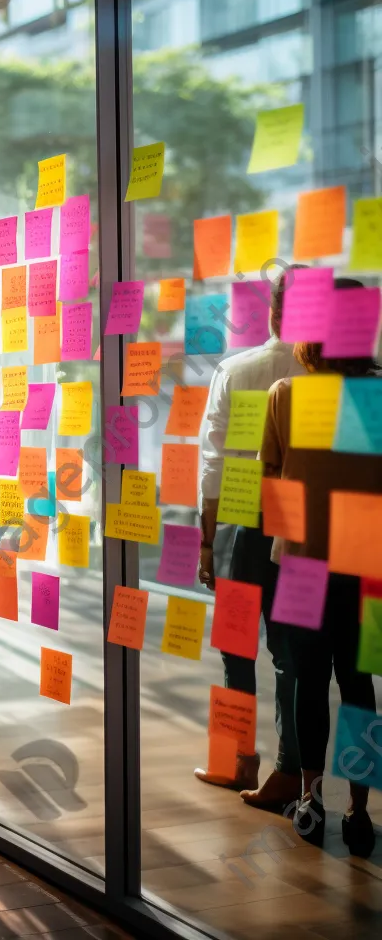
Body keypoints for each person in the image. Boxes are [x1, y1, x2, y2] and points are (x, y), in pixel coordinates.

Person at [260, 277, 381, 856]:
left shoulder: (285, 394)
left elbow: (274, 481)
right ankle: (361, 810)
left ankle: (311, 798)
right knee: (359, 685)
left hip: (303, 563)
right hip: (368, 567)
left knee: (309, 684)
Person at [195, 273, 304, 809]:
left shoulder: (236, 370)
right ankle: (289, 768)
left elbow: (213, 465)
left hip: (239, 517)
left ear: (272, 312)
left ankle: (238, 760)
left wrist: (205, 541)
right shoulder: (321, 376)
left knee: (236, 646)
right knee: (290, 654)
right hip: (299, 527)